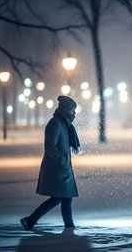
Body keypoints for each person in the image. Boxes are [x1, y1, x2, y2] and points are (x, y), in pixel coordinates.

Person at [21, 95, 82, 230]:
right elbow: (50, 146)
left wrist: (64, 162)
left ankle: (31, 221)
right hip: (57, 169)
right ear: (66, 110)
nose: (74, 113)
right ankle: (68, 228)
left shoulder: (65, 124)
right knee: (63, 197)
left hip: (63, 169)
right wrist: (62, 160)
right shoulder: (55, 123)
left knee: (63, 198)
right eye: (72, 110)